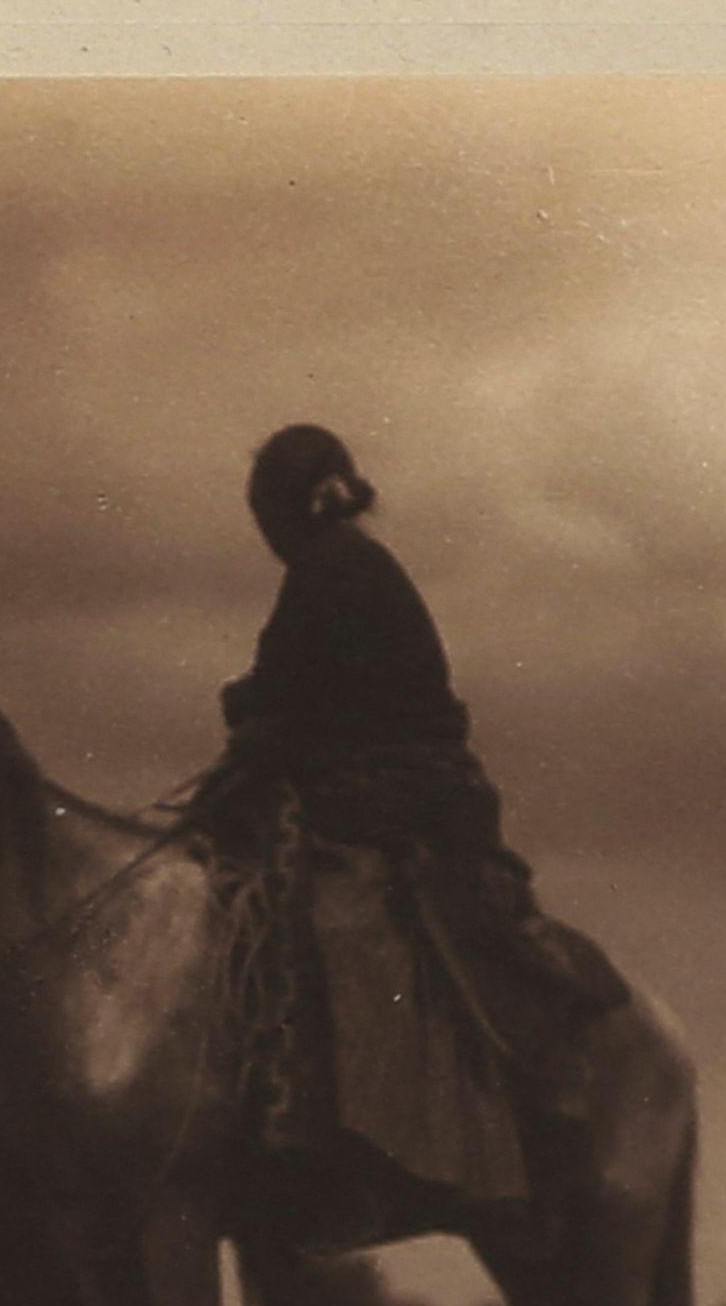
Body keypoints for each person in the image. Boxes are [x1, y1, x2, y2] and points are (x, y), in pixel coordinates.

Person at [203, 422, 626, 1036]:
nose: (264, 532)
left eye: (264, 512)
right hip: (396, 774)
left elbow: (293, 692)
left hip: (394, 784)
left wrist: (246, 711)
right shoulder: (344, 564)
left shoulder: (331, 570)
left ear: (286, 507)